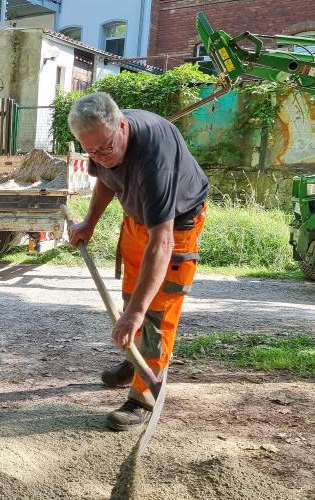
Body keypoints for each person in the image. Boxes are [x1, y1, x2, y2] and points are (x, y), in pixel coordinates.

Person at [67, 92, 209, 431]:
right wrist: (89, 223)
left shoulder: (153, 160)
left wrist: (136, 313)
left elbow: (163, 242)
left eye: (105, 148)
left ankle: (144, 395)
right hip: (137, 218)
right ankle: (135, 358)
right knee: (132, 294)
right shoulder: (98, 136)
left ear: (123, 127)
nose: (101, 156)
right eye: (92, 152)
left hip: (177, 223)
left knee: (155, 310)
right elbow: (105, 179)